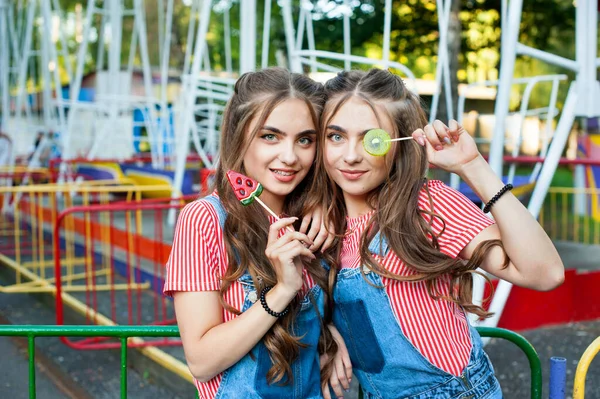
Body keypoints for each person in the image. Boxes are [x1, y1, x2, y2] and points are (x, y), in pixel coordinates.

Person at [317, 69, 564, 398]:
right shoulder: (318, 223)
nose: (350, 155)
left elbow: (545, 274)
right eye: (336, 136)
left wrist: (473, 165)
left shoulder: (426, 205)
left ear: (398, 142)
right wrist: (329, 333)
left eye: (370, 139)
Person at [164, 68, 338, 399]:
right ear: (239, 135)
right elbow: (201, 361)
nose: (289, 157)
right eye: (269, 136)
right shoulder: (203, 219)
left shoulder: (318, 220)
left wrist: (336, 338)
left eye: (305, 140)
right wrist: (283, 290)